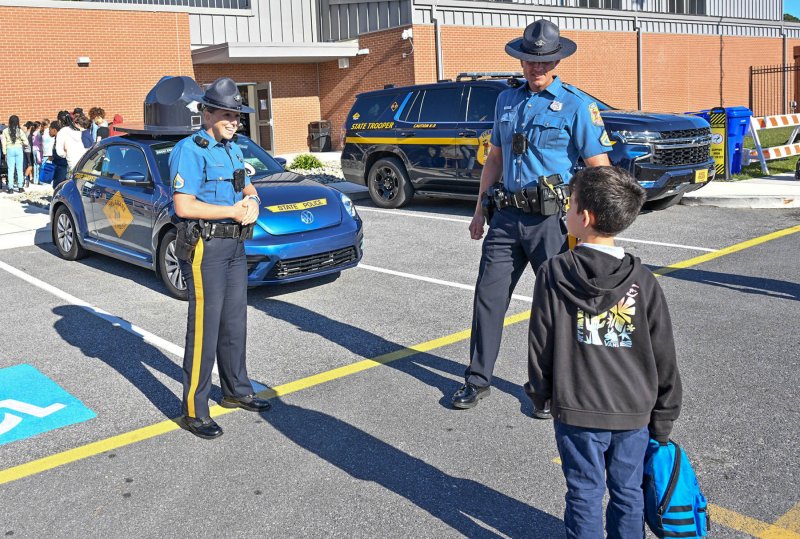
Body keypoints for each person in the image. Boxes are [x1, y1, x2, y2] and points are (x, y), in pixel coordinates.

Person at [451, 19, 612, 410]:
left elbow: (599, 168)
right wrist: (478, 211)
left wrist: (597, 226)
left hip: (551, 224)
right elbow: (496, 157)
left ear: (556, 62)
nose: (536, 69)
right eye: (530, 62)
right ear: (521, 62)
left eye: (544, 62)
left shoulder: (576, 106)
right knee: (487, 299)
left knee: (556, 307)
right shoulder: (507, 100)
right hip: (506, 219)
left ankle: (547, 388)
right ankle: (477, 379)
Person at [525, 166, 682, 538]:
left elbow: (540, 343)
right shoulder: (643, 281)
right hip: (633, 411)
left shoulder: (553, 273)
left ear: (586, 216)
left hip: (577, 408)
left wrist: (541, 394)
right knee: (628, 493)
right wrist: (664, 415)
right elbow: (663, 353)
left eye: (570, 203)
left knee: (583, 491)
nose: (565, 210)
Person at [169, 77, 270, 439]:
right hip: (205, 248)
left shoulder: (233, 149)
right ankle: (195, 411)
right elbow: (184, 205)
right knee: (205, 329)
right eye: (228, 114)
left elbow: (248, 186)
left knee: (234, 323)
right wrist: (231, 212)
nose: (234, 121)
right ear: (207, 112)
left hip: (234, 246)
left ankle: (236, 391)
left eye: (238, 116)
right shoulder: (190, 150)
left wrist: (254, 203)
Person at [1, 115, 30, 193]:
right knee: (20, 169)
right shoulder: (20, 131)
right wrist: (21, 144)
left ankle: (10, 188)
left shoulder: (5, 131)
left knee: (10, 169)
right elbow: (26, 142)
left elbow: (3, 143)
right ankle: (20, 187)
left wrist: (4, 152)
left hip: (9, 149)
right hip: (19, 149)